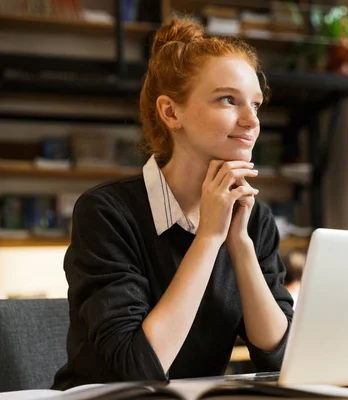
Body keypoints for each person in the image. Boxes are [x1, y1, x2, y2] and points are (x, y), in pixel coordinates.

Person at [52, 17, 294, 390]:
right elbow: (138, 368)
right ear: (171, 112)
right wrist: (209, 238)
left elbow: (279, 356)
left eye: (256, 105)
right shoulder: (106, 212)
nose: (251, 121)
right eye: (228, 100)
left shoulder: (251, 215)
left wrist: (240, 247)